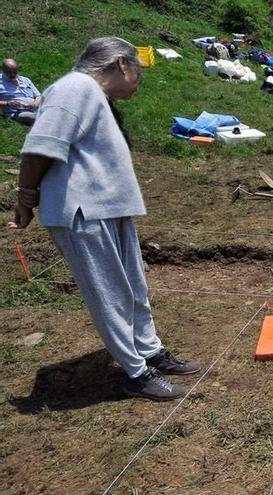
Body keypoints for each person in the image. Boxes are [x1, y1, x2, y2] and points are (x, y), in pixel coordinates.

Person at [7, 38, 200, 401]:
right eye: (138, 72)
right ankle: (135, 373)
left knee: (133, 286)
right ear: (122, 64)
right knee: (109, 293)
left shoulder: (92, 95)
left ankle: (150, 349)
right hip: (83, 211)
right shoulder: (75, 87)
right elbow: (39, 147)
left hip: (109, 206)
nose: (138, 81)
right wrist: (26, 199)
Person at [0, 58, 41, 126]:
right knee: (32, 117)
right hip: (18, 112)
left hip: (34, 108)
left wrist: (35, 103)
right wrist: (8, 103)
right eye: (9, 72)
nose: (12, 74)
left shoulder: (25, 80)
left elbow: (39, 96)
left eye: (15, 72)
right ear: (2, 70)